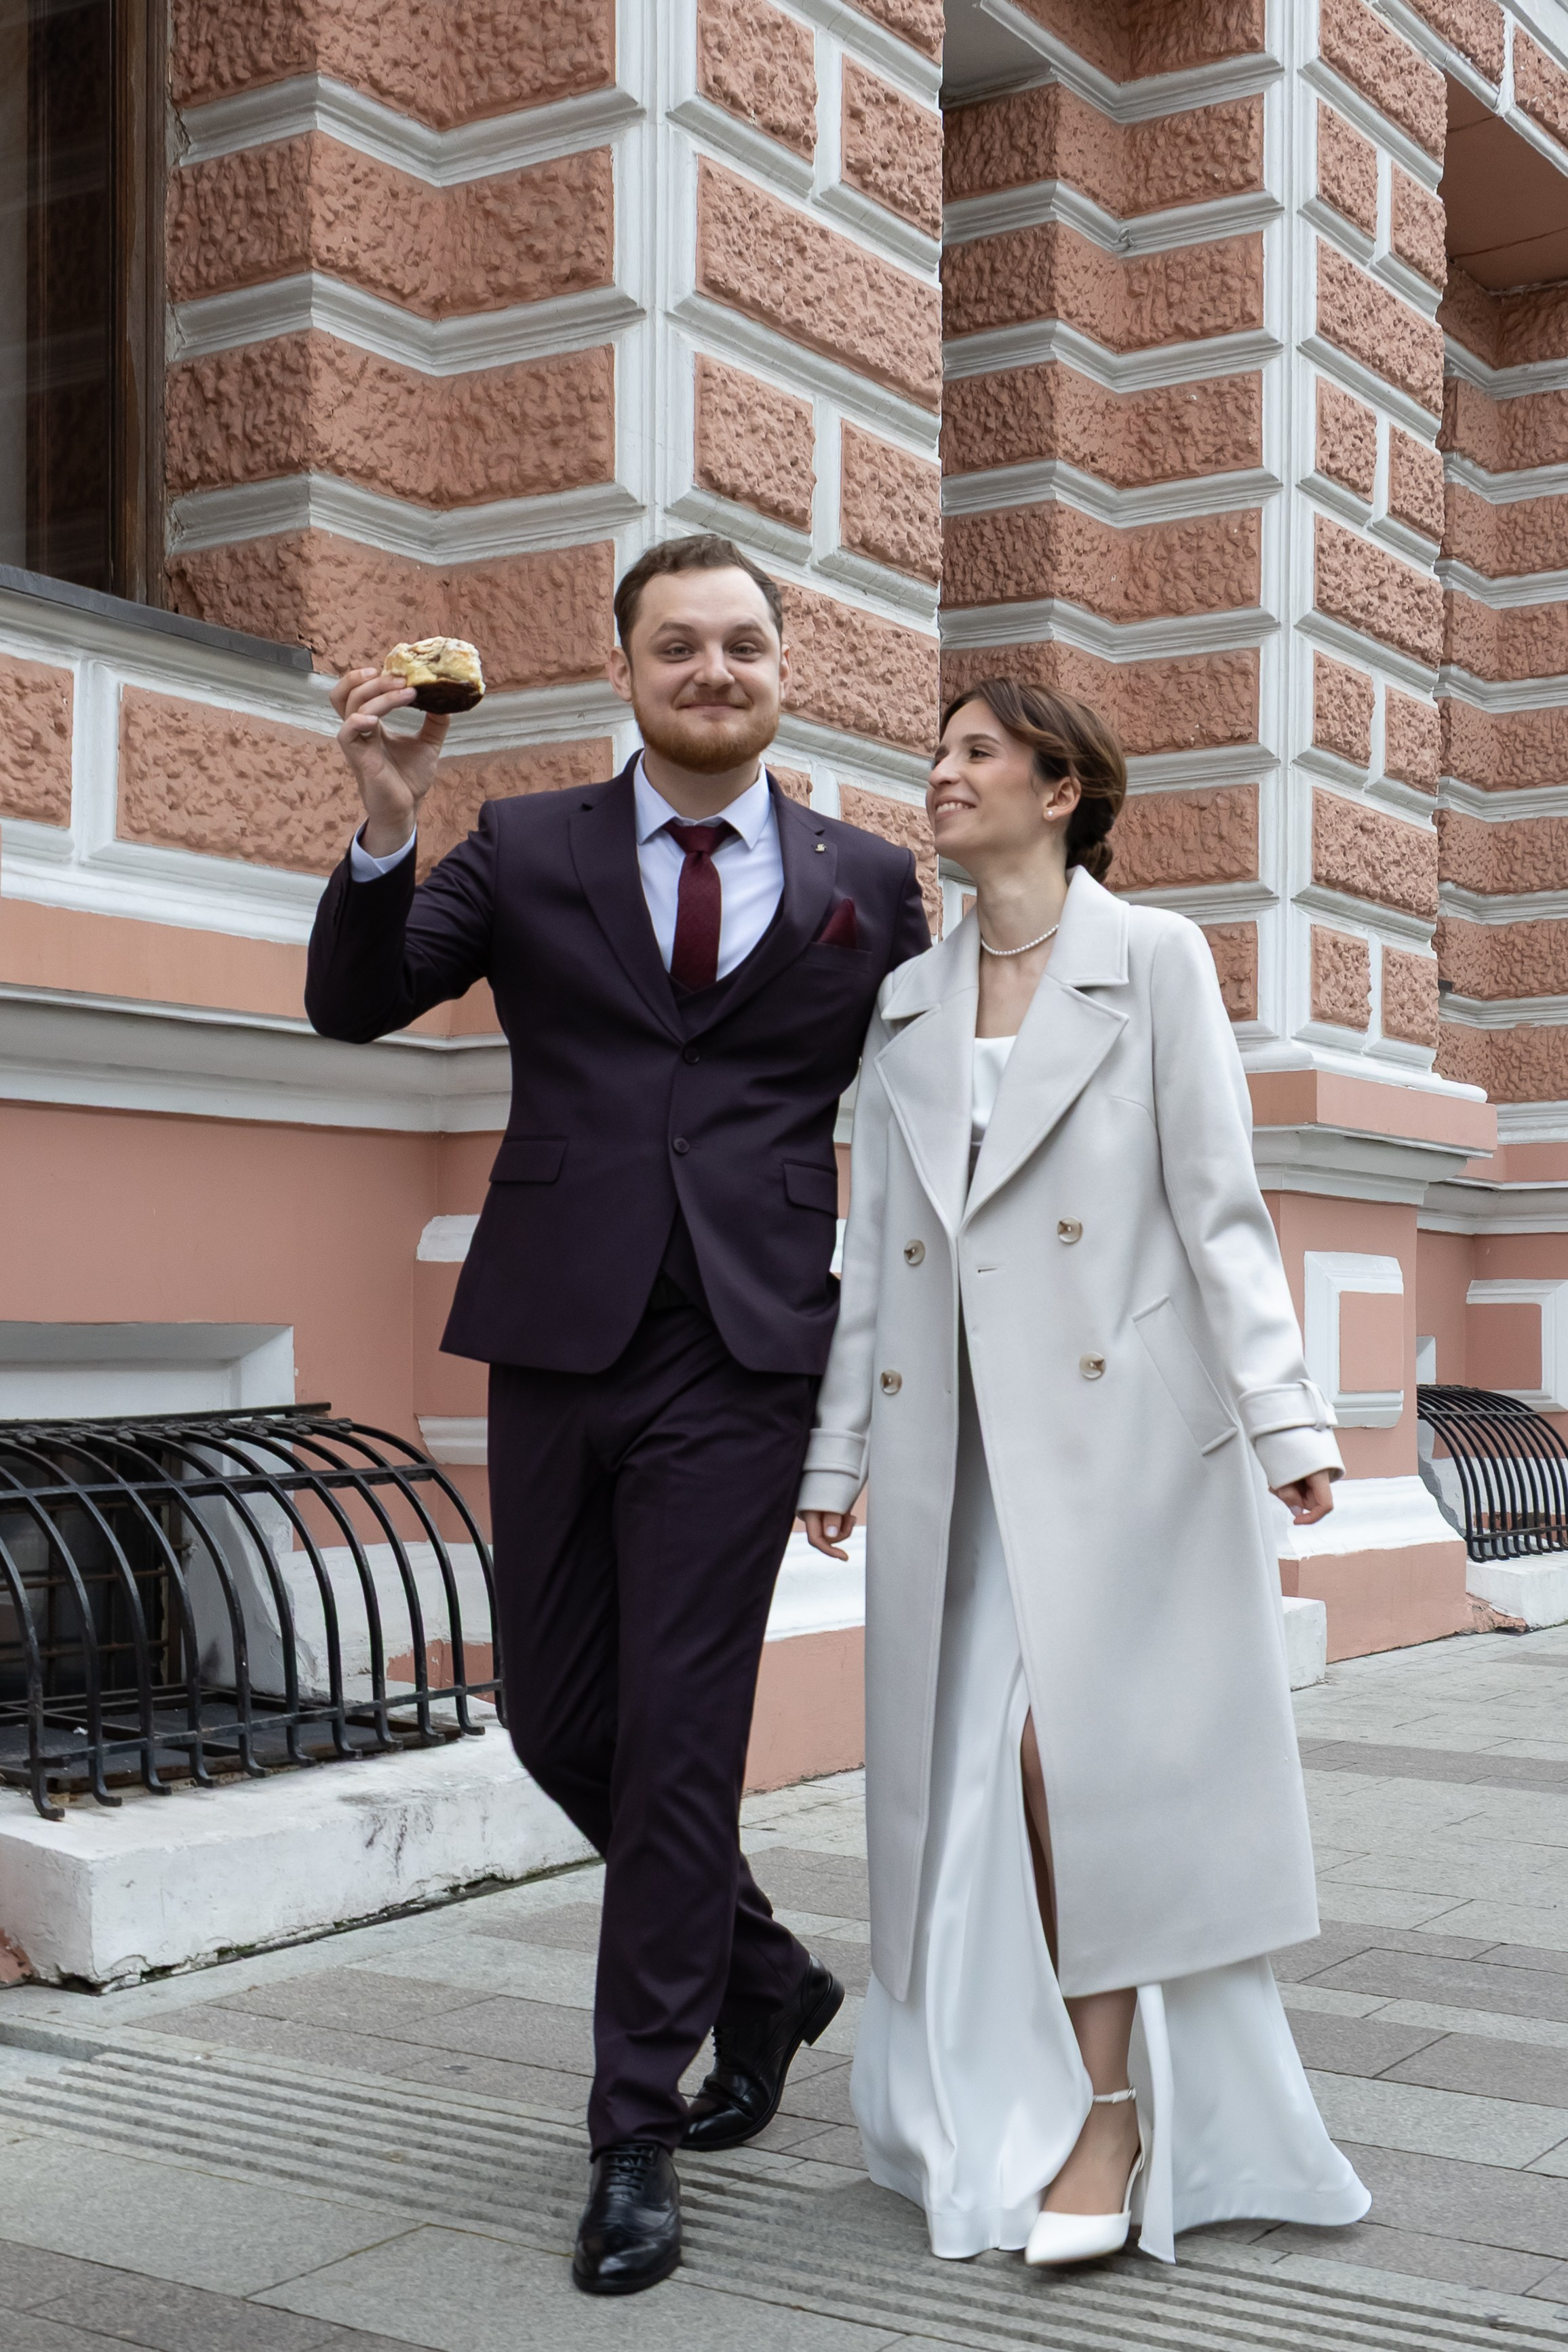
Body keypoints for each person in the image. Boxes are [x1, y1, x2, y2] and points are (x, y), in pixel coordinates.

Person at [305, 534, 930, 2294]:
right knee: (555, 1718)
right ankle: (768, 1977)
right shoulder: (525, 845)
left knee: (676, 1736)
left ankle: (632, 2129)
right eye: (678, 646)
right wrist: (386, 819)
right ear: (625, 670)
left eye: (742, 643)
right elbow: (354, 1005)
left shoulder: (871, 881)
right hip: (559, 1333)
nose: (713, 670)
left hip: (746, 1350)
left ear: (783, 668)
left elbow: (945, 1108)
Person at [800, 678, 1371, 2265]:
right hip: (957, 1461)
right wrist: (840, 1450)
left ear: (1062, 791)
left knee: (1081, 1769)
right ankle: (988, 2104)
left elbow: (1219, 1204)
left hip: (1125, 1454)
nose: (941, 774)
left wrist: (1286, 1419)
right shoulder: (907, 1002)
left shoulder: (1155, 960)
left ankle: (1108, 2119)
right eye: (938, 752)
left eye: (976, 753)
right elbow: (878, 1252)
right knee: (968, 1793)